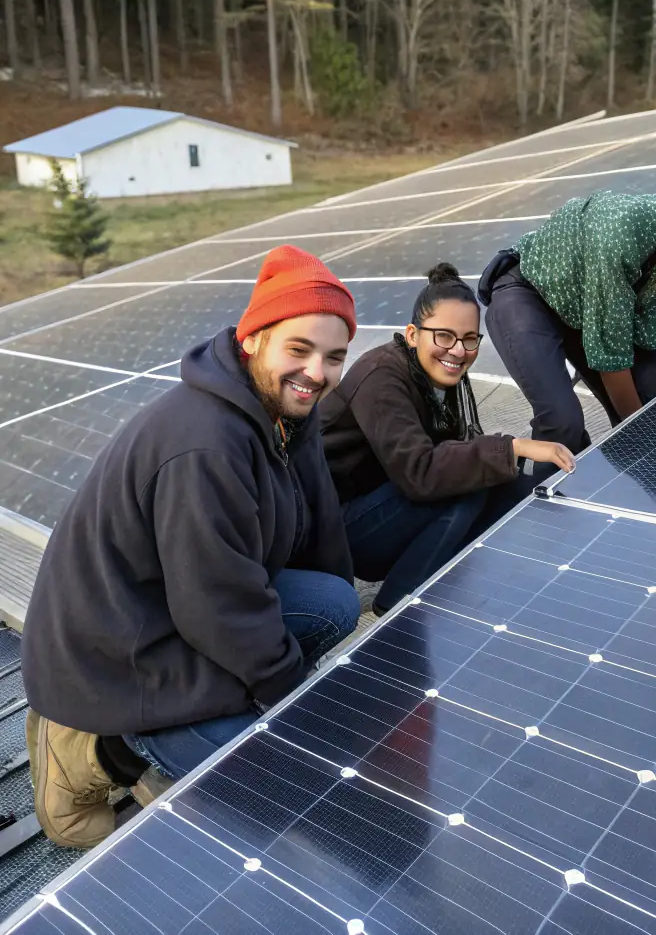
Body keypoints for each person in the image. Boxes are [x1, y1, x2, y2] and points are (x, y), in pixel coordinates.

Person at [21, 245, 362, 848]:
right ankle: (93, 749)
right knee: (275, 789)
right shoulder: (204, 445)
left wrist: (302, 692)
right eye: (300, 349)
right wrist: (286, 698)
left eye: (334, 356)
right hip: (115, 648)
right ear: (253, 339)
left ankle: (191, 738)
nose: (318, 371)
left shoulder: (283, 410)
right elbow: (217, 606)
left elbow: (319, 524)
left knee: (334, 604)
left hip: (174, 612)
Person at [479, 158, 656, 471]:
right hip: (532, 295)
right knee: (563, 423)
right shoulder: (622, 229)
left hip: (595, 313)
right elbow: (612, 361)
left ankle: (641, 482)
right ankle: (553, 507)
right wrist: (645, 444)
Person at [321, 263, 575, 614]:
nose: (458, 350)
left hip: (383, 506)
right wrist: (513, 446)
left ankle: (464, 580)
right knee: (467, 483)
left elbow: (457, 450)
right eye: (444, 336)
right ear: (412, 335)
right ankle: (397, 606)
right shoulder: (381, 376)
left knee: (509, 485)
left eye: (469, 339)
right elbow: (420, 473)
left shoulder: (436, 374)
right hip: (339, 532)